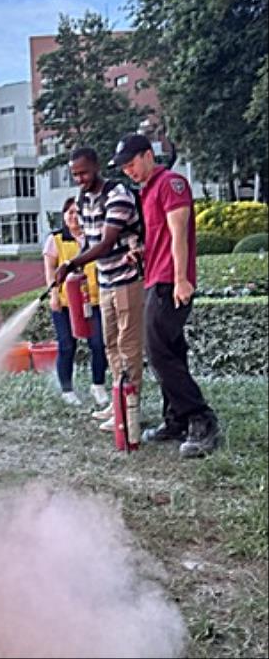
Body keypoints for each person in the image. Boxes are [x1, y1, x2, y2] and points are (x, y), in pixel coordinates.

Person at [110, 133, 220, 457]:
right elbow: (161, 239)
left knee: (159, 354)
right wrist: (142, 252)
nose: (128, 171)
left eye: (131, 163)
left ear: (148, 155)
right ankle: (175, 420)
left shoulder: (172, 183)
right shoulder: (147, 192)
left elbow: (179, 234)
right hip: (155, 279)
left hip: (170, 284)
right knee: (172, 350)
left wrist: (182, 280)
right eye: (124, 167)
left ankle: (201, 419)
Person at [55, 147, 145, 433]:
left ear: (95, 166)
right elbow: (88, 242)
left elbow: (105, 244)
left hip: (127, 280)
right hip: (105, 282)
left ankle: (131, 409)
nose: (79, 179)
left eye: (83, 172)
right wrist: (73, 271)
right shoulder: (83, 199)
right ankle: (117, 401)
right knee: (110, 345)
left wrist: (70, 264)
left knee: (128, 346)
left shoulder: (117, 195)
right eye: (75, 175)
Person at [43, 197, 108, 406]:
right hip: (64, 303)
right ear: (63, 215)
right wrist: (53, 295)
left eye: (77, 212)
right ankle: (67, 390)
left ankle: (98, 385)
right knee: (67, 345)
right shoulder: (56, 240)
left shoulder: (95, 237)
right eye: (69, 212)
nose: (73, 216)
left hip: (93, 300)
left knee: (98, 344)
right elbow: (50, 270)